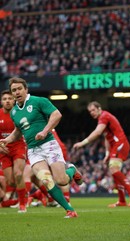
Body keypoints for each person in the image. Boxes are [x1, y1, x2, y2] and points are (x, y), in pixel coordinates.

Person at [0, 77, 82, 218]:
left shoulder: (39, 101)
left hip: (49, 145)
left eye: (19, 89)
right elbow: (18, 132)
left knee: (62, 180)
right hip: (33, 151)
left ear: (26, 89)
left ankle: (72, 170)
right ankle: (70, 210)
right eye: (14, 90)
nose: (17, 92)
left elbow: (56, 115)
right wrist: (6, 140)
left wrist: (45, 131)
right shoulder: (14, 112)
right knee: (46, 180)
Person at [73, 101, 130, 207]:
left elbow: (97, 132)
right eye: (90, 111)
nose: (92, 113)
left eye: (93, 110)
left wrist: (82, 143)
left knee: (114, 169)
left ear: (99, 109)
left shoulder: (104, 116)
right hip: (115, 145)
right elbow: (107, 138)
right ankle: (122, 201)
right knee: (115, 173)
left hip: (120, 143)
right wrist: (107, 153)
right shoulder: (102, 118)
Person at [0, 90, 29, 212]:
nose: (7, 101)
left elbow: (27, 130)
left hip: (18, 147)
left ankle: (22, 204)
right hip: (3, 150)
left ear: (14, 100)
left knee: (18, 174)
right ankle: (26, 195)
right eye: (5, 99)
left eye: (10, 98)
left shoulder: (19, 113)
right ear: (1, 102)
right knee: (11, 182)